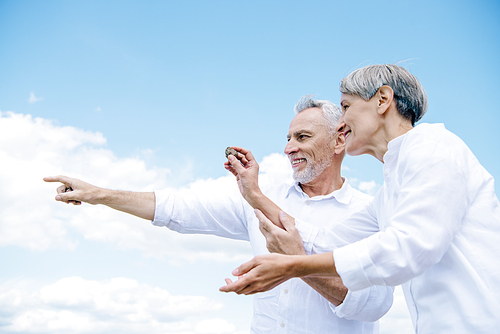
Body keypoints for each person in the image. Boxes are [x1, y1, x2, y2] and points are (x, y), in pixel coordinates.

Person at [44, 95, 394, 334]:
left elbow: (374, 305)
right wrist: (99, 194)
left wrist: (297, 261)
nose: (289, 148)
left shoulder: (368, 213)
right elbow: (177, 209)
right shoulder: (257, 199)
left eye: (302, 136)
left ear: (338, 141)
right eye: (288, 138)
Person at [220, 65, 500, 333]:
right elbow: (326, 238)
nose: (340, 123)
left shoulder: (435, 148)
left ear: (382, 100)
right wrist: (254, 195)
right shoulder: (389, 188)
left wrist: (294, 265)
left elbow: (409, 248)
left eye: (346, 107)